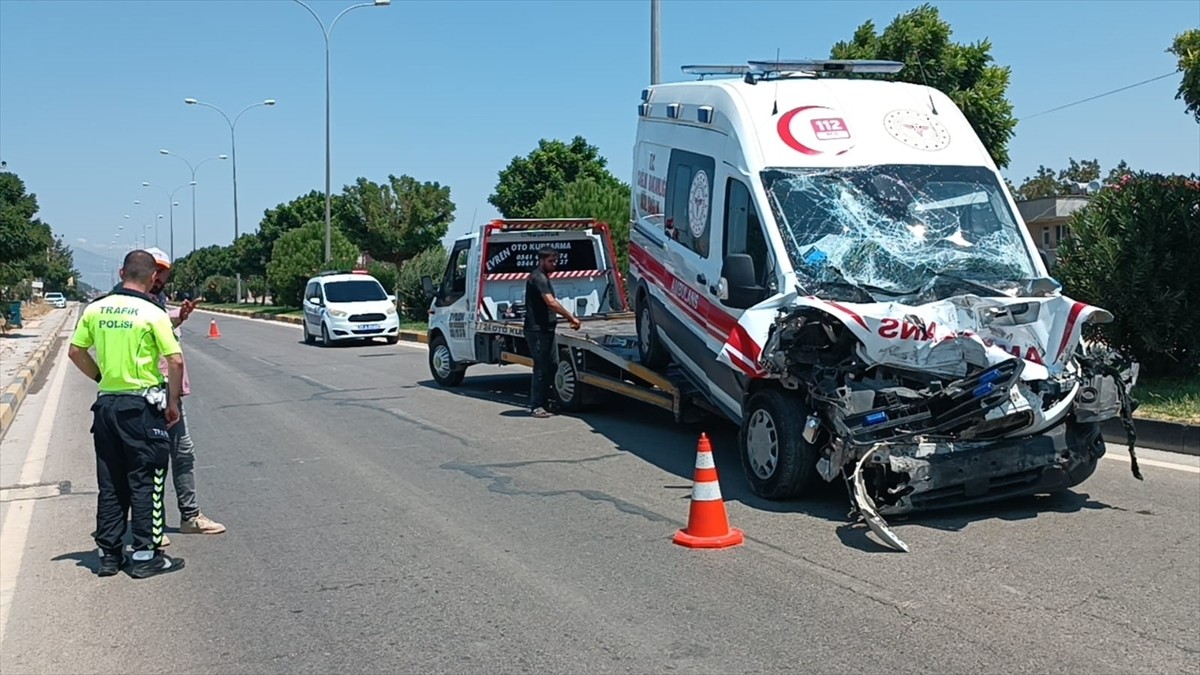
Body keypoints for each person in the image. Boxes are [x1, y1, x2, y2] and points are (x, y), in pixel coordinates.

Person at [67, 249, 187, 578]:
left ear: (121, 272)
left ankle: (109, 554)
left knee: (111, 482)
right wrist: (173, 403)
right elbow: (175, 361)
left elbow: (76, 351)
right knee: (146, 480)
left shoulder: (96, 309)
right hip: (142, 408)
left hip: (106, 407)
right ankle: (146, 555)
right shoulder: (152, 312)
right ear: (152, 278)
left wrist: (100, 378)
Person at [143, 247, 226, 540]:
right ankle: (150, 528)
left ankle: (190, 516)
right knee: (152, 458)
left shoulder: (158, 300)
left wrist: (180, 316)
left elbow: (162, 325)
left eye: (164, 271)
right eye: (157, 270)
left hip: (170, 389)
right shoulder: (137, 303)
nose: (160, 276)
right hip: (151, 389)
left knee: (182, 454)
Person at [523, 246, 581, 418]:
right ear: (541, 261)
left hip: (548, 329)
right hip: (536, 330)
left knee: (553, 365)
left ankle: (547, 401)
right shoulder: (537, 277)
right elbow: (551, 302)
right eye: (550, 261)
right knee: (541, 367)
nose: (554, 264)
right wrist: (571, 317)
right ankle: (537, 406)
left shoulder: (544, 277)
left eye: (555, 261)